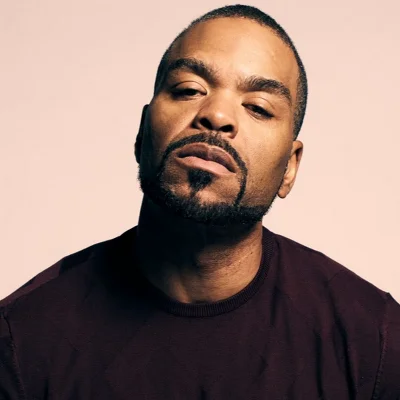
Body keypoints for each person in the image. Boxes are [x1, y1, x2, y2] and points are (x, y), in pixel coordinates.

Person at [1, 4, 399, 399]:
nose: (217, 115)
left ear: (290, 168)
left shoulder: (375, 342)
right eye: (189, 90)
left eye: (258, 107)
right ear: (142, 133)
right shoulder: (22, 339)